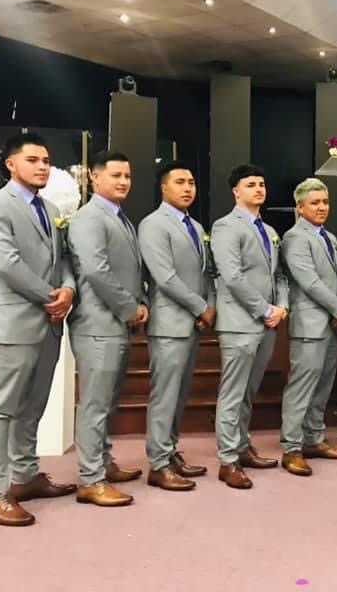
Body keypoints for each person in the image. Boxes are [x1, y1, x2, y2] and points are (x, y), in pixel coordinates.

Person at [0, 132, 77, 526]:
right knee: (2, 408)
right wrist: (51, 297)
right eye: (33, 160)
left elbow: (63, 259)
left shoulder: (50, 209)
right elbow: (6, 263)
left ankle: (25, 476)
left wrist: (68, 288)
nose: (42, 167)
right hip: (13, 323)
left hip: (49, 323)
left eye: (46, 160)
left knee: (33, 406)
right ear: (11, 164)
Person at [67, 150, 147, 507]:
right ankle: (90, 479)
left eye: (127, 176)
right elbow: (96, 271)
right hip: (98, 323)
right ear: (94, 178)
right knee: (95, 404)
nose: (123, 181)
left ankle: (102, 461)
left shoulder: (119, 217)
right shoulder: (89, 217)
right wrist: (130, 308)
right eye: (115, 175)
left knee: (108, 402)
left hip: (115, 324)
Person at [137, 161, 215, 492]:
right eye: (180, 182)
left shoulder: (195, 226)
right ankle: (158, 464)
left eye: (191, 182)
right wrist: (201, 307)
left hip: (193, 322)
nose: (187, 188)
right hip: (169, 323)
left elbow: (206, 273)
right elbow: (164, 277)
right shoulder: (153, 224)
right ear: (163, 187)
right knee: (165, 395)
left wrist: (208, 305)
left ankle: (169, 452)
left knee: (179, 395)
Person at [211, 164, 289, 490]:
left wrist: (282, 306)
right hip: (240, 322)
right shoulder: (225, 226)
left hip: (267, 322)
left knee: (248, 391)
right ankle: (228, 459)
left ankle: (242, 446)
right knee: (233, 393)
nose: (258, 189)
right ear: (236, 191)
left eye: (261, 184)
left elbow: (279, 275)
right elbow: (232, 276)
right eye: (251, 184)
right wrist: (264, 309)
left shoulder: (269, 230)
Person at [279, 178, 337, 476]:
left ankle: (313, 439)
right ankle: (291, 447)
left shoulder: (329, 236)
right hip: (309, 324)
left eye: (325, 202)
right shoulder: (295, 237)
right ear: (300, 207)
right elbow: (308, 281)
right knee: (302, 387)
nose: (322, 207)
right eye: (315, 203)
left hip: (332, 323)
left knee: (323, 385)